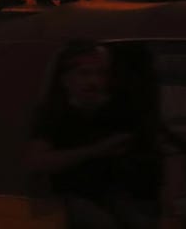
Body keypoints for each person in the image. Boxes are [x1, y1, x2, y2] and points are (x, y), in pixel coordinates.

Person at [28, 41, 157, 228]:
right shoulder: (52, 114)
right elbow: (37, 161)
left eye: (100, 74)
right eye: (84, 73)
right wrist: (96, 150)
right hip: (69, 195)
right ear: (66, 79)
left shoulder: (117, 111)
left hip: (115, 192)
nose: (93, 81)